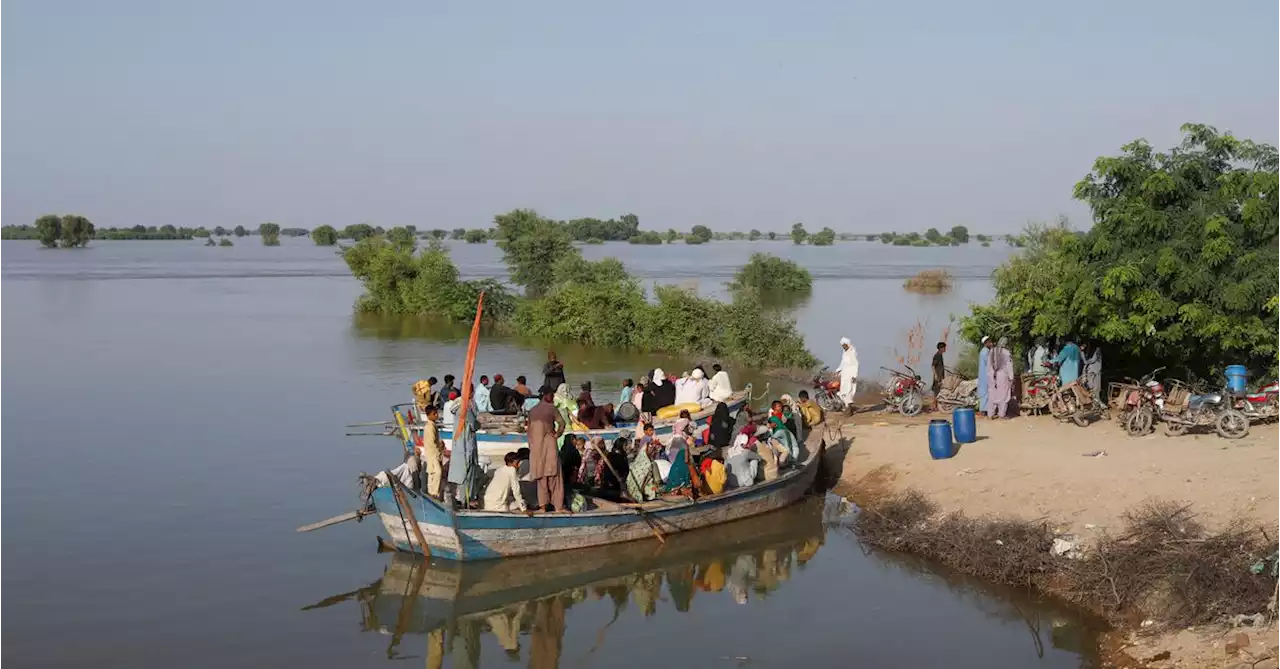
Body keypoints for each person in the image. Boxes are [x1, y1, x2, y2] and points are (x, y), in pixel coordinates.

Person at [527, 386, 567, 511]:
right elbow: (562, 423)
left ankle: (543, 507)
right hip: (549, 446)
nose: (553, 397)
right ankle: (558, 507)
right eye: (551, 395)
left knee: (542, 478)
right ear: (545, 395)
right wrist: (557, 434)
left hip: (536, 448)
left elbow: (528, 431)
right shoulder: (552, 408)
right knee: (555, 478)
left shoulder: (532, 411)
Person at [447, 397, 481, 504]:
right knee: (468, 474)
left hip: (460, 445)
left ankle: (462, 498)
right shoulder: (465, 408)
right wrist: (478, 424)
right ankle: (466, 499)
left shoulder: (457, 406)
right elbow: (474, 425)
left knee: (462, 473)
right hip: (467, 446)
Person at [418, 404, 445, 498]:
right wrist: (439, 451)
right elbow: (432, 443)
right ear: (428, 415)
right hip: (433, 454)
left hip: (432, 454)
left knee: (432, 473)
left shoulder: (432, 425)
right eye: (434, 414)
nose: (437, 415)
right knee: (437, 472)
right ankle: (434, 493)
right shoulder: (430, 427)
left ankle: (432, 492)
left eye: (436, 413)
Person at [986, 337, 1015, 419]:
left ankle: (990, 414)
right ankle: (1002, 414)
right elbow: (1009, 366)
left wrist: (989, 376)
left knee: (992, 395)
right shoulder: (1006, 353)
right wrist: (1011, 378)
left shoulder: (992, 351)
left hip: (992, 376)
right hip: (1002, 376)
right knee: (1003, 395)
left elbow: (988, 366)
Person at [835, 337, 859, 408]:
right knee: (843, 391)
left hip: (851, 374)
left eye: (844, 345)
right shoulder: (844, 352)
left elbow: (856, 364)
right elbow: (843, 363)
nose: (843, 347)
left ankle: (848, 407)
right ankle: (847, 406)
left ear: (847, 344)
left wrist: (854, 375)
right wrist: (838, 370)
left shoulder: (852, 352)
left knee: (850, 390)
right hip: (845, 374)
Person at [931, 342, 947, 411]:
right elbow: (933, 366)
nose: (945, 349)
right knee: (936, 391)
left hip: (940, 376)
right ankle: (934, 406)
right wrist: (936, 376)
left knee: (938, 391)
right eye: (944, 348)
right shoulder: (937, 355)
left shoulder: (940, 355)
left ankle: (936, 405)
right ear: (941, 348)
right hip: (938, 377)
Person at [977, 336, 991, 414]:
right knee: (986, 391)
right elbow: (989, 363)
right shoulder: (986, 351)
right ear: (986, 343)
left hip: (983, 374)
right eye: (989, 342)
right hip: (985, 374)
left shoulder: (983, 351)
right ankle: (984, 409)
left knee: (983, 391)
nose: (991, 343)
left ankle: (983, 409)